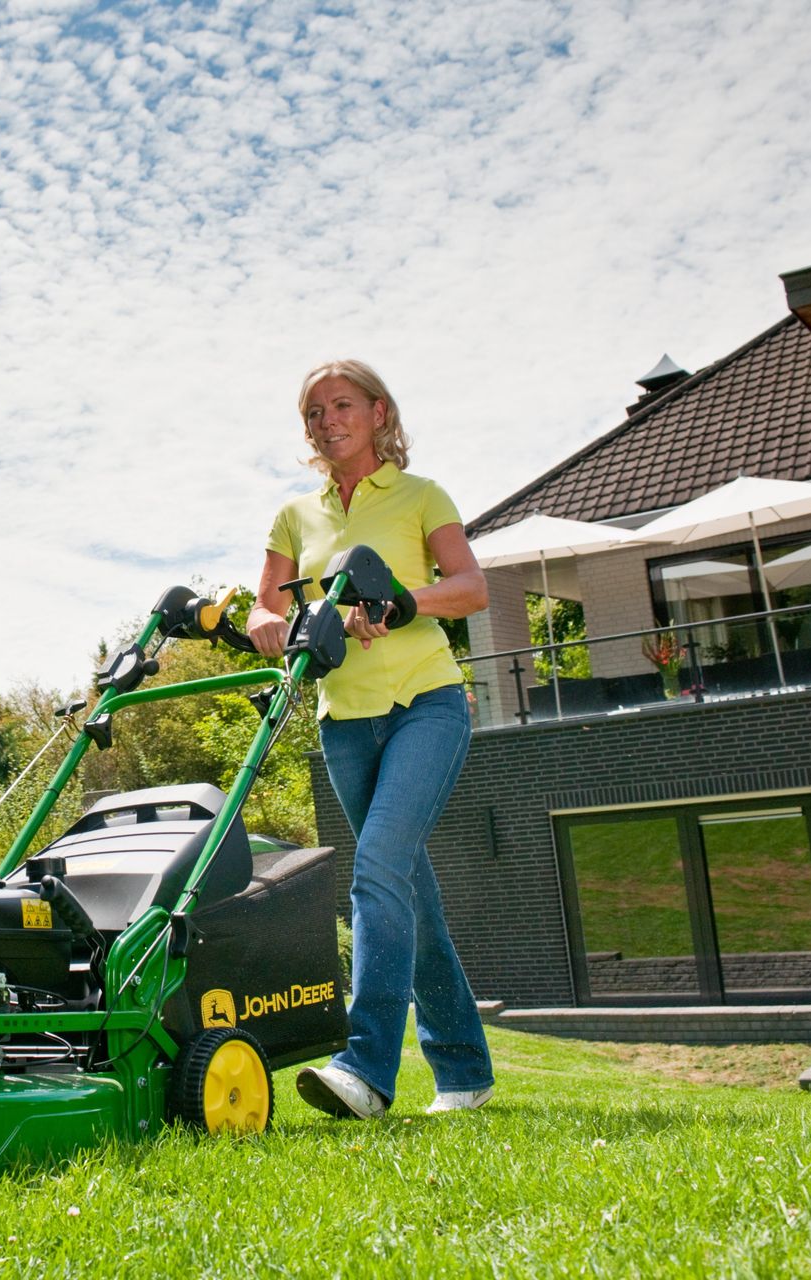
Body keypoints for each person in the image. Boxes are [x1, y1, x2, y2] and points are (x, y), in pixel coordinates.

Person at [246, 358, 495, 1118]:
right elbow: (265, 609)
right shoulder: (295, 517)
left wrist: (398, 599)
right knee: (407, 889)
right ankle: (464, 1072)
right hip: (344, 723)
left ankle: (366, 1069)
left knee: (379, 867)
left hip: (427, 703)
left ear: (380, 412)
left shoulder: (422, 496)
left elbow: (471, 587)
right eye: (313, 412)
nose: (327, 421)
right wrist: (275, 627)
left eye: (342, 405)